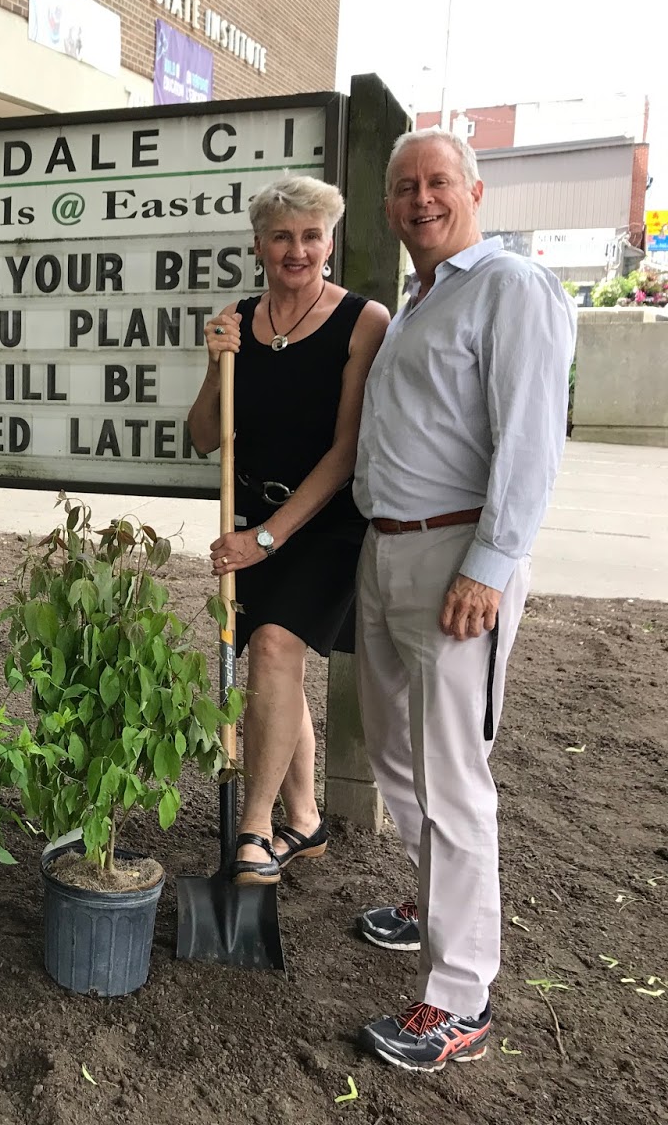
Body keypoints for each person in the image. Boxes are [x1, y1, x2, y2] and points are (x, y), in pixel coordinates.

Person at [351, 128, 575, 1071]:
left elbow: (531, 439)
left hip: (456, 562)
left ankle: (460, 999)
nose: (420, 201)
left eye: (437, 183)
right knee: (397, 753)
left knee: (453, 777)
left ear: (474, 191)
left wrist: (487, 564)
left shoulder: (511, 287)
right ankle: (433, 900)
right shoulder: (420, 301)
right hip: (389, 552)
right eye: (405, 187)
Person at [186, 175, 390, 886]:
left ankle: (254, 829)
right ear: (258, 246)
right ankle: (305, 820)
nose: (296, 250)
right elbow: (203, 437)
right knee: (277, 670)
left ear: (329, 243)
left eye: (310, 236)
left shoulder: (365, 322)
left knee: (275, 648)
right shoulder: (237, 318)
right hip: (250, 519)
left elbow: (345, 453)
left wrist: (267, 538)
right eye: (281, 236)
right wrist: (217, 367)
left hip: (324, 524)